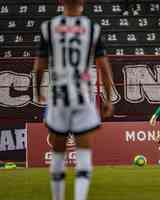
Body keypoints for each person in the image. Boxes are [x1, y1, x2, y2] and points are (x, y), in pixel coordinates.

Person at [34, 0, 114, 200]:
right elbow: (104, 68)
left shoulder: (49, 27)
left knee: (58, 151)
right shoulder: (92, 28)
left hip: (58, 96)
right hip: (81, 96)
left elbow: (39, 66)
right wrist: (108, 99)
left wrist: (38, 91)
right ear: (82, 2)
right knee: (84, 153)